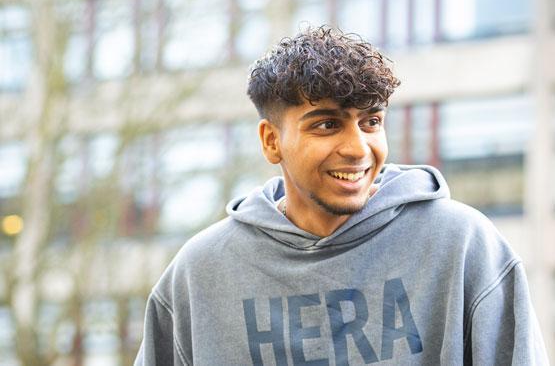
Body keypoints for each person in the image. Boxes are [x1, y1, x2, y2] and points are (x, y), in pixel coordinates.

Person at [134, 26, 548, 365]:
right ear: (271, 141)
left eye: (370, 122)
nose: (358, 148)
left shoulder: (462, 246)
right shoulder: (201, 274)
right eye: (327, 125)